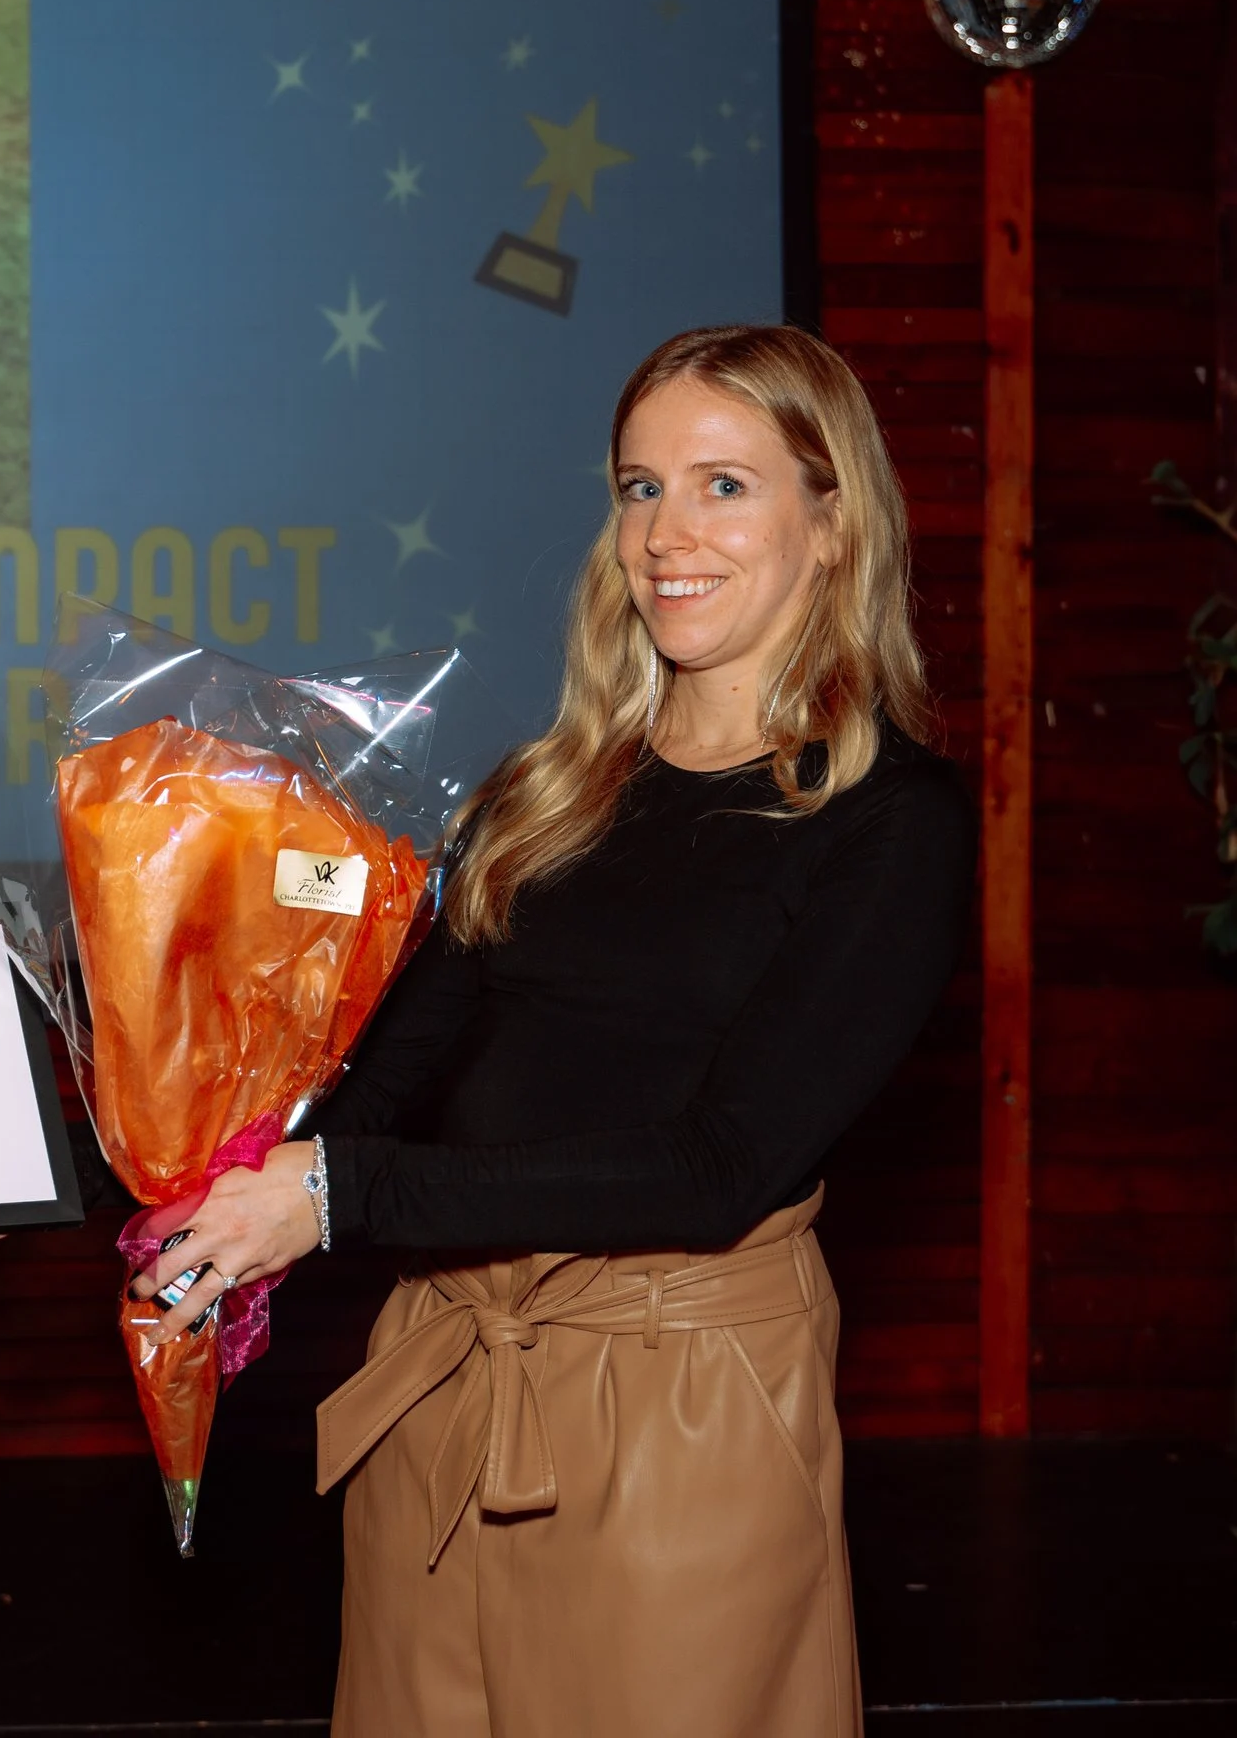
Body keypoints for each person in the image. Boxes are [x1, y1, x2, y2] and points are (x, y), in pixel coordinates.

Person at [122, 324, 975, 1735]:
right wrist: (177, 1160)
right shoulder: (547, 791)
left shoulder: (889, 822)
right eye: (641, 488)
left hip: (684, 1413)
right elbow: (385, 1084)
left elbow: (718, 1166)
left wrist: (334, 1197)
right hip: (443, 1388)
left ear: (832, 525)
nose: (667, 534)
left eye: (725, 485)